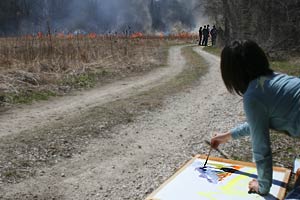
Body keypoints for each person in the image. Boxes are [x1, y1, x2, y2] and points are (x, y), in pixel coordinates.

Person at [210, 40, 300, 196]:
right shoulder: (272, 81)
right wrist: (227, 136)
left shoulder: (254, 95)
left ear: (232, 73)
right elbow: (256, 124)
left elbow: (261, 148)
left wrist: (262, 186)